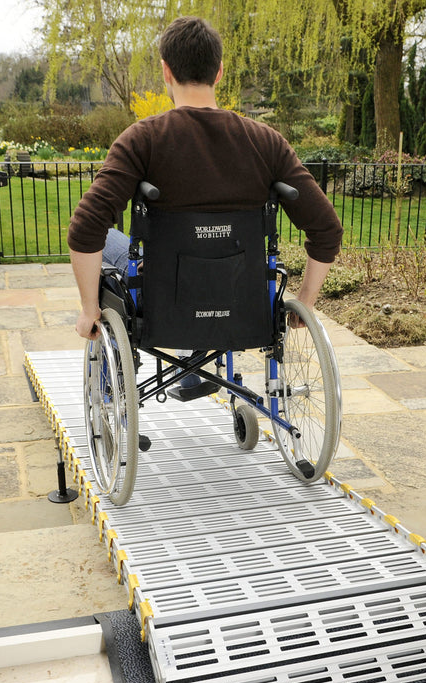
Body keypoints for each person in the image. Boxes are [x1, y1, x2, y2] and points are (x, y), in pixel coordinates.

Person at [66, 15, 343, 400]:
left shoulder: (142, 140)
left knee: (110, 240)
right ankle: (193, 359)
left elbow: (85, 228)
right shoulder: (266, 142)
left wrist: (88, 309)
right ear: (220, 71)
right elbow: (326, 228)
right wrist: (305, 304)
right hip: (242, 302)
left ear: (166, 71)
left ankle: (121, 381)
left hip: (166, 303)